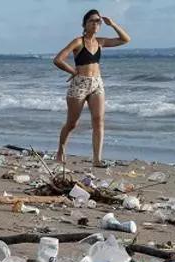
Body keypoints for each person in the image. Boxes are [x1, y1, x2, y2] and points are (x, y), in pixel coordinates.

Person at [53, 9, 131, 167]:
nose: (96, 24)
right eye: (92, 21)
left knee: (99, 121)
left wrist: (113, 24)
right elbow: (58, 59)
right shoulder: (78, 41)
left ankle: (97, 159)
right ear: (85, 24)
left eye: (98, 21)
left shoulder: (100, 42)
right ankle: (60, 153)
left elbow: (125, 39)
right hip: (80, 84)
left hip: (97, 83)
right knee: (72, 123)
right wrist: (73, 71)